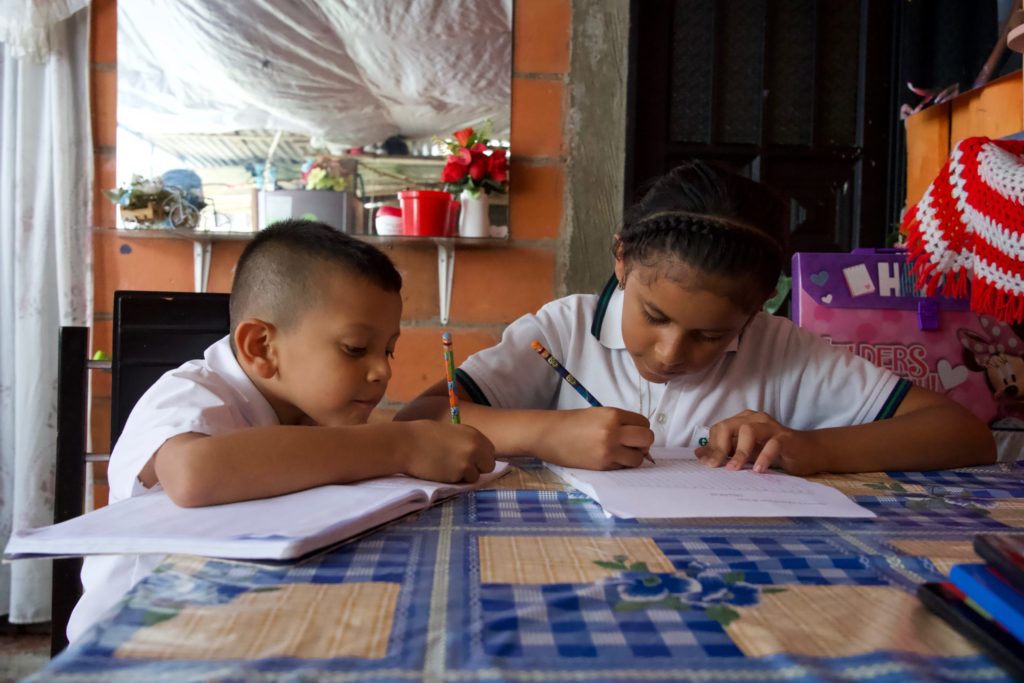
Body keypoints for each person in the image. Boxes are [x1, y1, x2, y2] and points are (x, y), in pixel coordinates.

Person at [396, 161, 996, 474]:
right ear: (622, 260)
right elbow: (422, 419)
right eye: (654, 315)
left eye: (711, 335)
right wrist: (545, 434)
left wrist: (811, 448)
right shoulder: (561, 331)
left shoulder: (782, 350)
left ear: (757, 310)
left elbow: (965, 435)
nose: (669, 352)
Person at [68, 219, 495, 642]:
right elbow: (193, 473)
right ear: (262, 347)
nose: (382, 370)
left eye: (388, 350)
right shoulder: (190, 395)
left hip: (240, 615)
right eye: (355, 349)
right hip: (138, 641)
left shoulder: (303, 412)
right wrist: (400, 444)